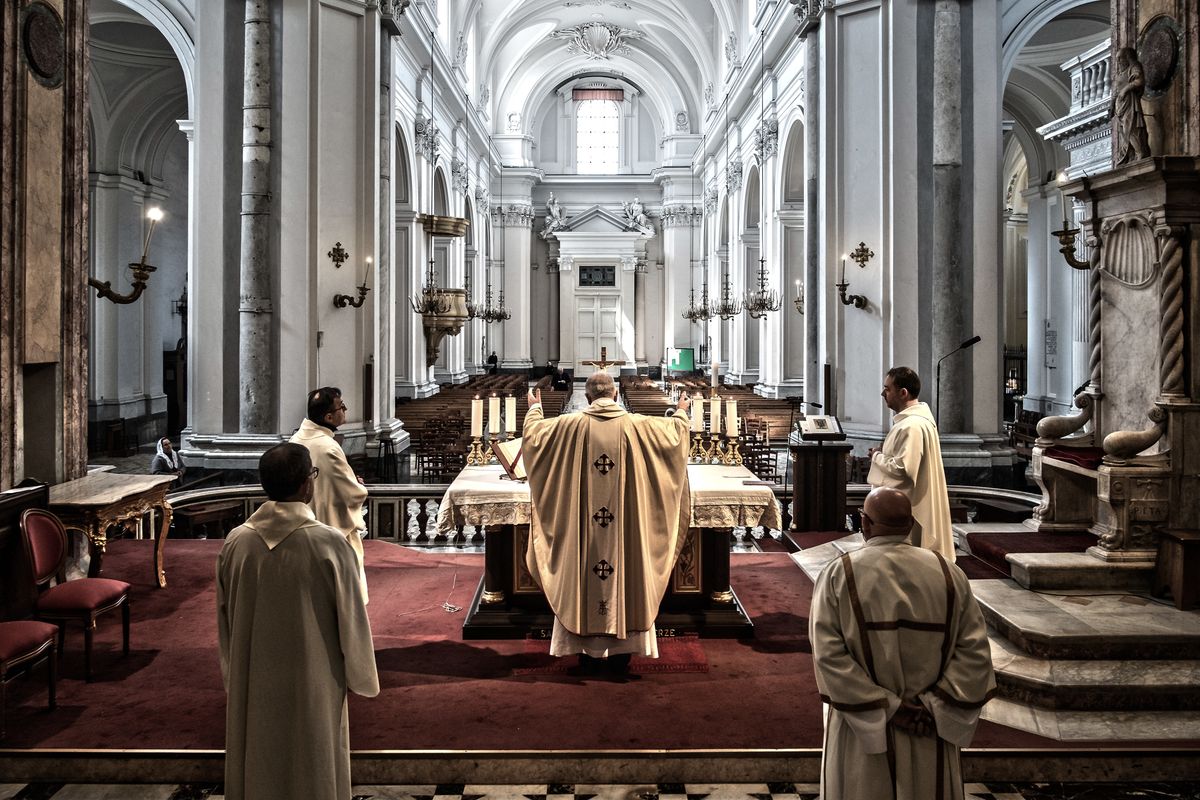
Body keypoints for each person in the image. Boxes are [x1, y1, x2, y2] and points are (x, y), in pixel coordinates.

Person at [810, 486, 995, 800]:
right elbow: (974, 653)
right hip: (929, 724)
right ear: (911, 525)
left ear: (864, 523)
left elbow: (828, 655)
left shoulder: (839, 574)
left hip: (864, 726)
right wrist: (932, 704)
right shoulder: (949, 574)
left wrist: (889, 708)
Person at [217, 443, 379, 800]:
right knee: (314, 756)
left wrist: (233, 670)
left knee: (259, 753)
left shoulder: (236, 543)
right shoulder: (330, 544)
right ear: (308, 484)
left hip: (254, 673)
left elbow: (225, 619)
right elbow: (351, 617)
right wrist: (361, 673)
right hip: (314, 676)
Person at [522, 372, 692, 674]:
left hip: (584, 543)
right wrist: (680, 410)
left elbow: (534, 437)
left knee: (584, 578)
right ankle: (623, 649)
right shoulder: (638, 426)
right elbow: (675, 435)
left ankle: (584, 650)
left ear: (587, 397)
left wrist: (535, 407)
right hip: (623, 540)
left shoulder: (569, 426)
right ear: (615, 395)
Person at [290, 387, 370, 601]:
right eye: (341, 406)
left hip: (301, 521)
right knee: (342, 589)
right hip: (331, 525)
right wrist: (358, 485)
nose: (345, 409)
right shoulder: (328, 447)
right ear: (329, 417)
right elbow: (351, 491)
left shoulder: (296, 439)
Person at [867, 366, 955, 561]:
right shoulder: (913, 422)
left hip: (911, 508)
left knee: (912, 562)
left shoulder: (912, 426)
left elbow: (904, 469)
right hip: (912, 502)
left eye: (887, 389)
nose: (883, 393)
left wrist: (877, 456)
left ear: (903, 393)